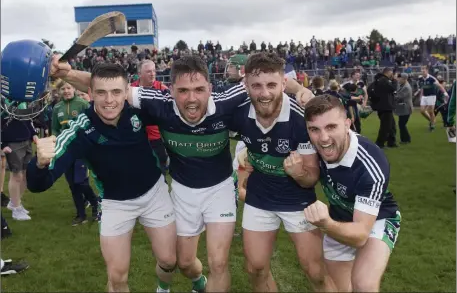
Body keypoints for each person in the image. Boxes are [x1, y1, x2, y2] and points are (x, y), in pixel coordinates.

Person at [49, 53, 313, 293]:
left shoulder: (226, 101)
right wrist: (66, 74)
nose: (192, 98)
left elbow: (268, 77)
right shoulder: (158, 104)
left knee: (218, 263)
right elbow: (109, 89)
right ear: (171, 89)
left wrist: (300, 88)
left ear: (210, 89)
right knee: (184, 263)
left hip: (220, 188)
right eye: (183, 90)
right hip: (183, 191)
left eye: (199, 90)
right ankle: (198, 284)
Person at [27, 61, 177, 293]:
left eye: (116, 92)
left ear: (127, 92)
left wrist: (68, 72)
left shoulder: (137, 110)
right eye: (101, 93)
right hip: (115, 204)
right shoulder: (81, 130)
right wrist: (39, 164)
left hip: (154, 195)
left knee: (168, 261)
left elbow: (178, 108)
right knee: (116, 278)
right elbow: (39, 184)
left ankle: (163, 288)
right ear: (90, 93)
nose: (109, 100)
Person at [229, 53, 335, 292]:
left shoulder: (300, 119)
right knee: (255, 268)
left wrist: (298, 174)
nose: (264, 93)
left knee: (316, 272)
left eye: (271, 85)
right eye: (256, 85)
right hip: (260, 199)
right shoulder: (238, 113)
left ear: (283, 84)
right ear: (246, 85)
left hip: (297, 199)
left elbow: (310, 179)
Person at [301, 94, 401, 292]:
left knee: (363, 284)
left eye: (331, 127)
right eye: (314, 129)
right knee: (340, 288)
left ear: (348, 124)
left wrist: (326, 224)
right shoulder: (313, 147)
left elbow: (361, 234)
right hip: (339, 219)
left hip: (376, 220)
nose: (323, 138)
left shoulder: (370, 164)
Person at [52, 80, 99, 225]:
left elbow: (92, 124)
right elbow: (54, 128)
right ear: (59, 91)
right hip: (66, 151)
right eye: (63, 89)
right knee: (73, 184)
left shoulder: (82, 104)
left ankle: (96, 204)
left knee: (81, 182)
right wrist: (55, 139)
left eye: (69, 88)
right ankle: (81, 215)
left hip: (81, 150)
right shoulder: (57, 108)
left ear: (74, 89)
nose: (66, 91)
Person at [130, 60, 169, 177]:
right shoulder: (130, 89)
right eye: (148, 71)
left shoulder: (162, 88)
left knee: (160, 168)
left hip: (156, 137)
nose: (152, 74)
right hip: (136, 136)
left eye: (153, 71)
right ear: (139, 73)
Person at [368, 67, 398, 149]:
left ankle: (391, 142)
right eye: (391, 73)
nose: (392, 75)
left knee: (391, 126)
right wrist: (395, 80)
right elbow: (393, 88)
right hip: (385, 107)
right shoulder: (384, 81)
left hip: (382, 106)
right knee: (385, 126)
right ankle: (379, 143)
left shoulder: (378, 80)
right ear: (388, 72)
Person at [414, 66, 446, 131]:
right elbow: (422, 88)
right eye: (422, 70)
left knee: (430, 111)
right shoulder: (420, 79)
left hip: (432, 96)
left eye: (424, 70)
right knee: (422, 111)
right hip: (424, 96)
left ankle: (432, 125)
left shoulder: (432, 78)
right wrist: (420, 95)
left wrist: (445, 94)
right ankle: (432, 120)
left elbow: (440, 86)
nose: (423, 72)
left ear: (427, 71)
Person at [394, 73, 413, 144]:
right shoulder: (401, 85)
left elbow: (399, 96)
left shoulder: (406, 87)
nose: (398, 79)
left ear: (404, 79)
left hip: (406, 108)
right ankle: (405, 139)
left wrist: (391, 96)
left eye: (400, 78)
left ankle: (406, 139)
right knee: (401, 124)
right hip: (403, 108)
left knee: (402, 124)